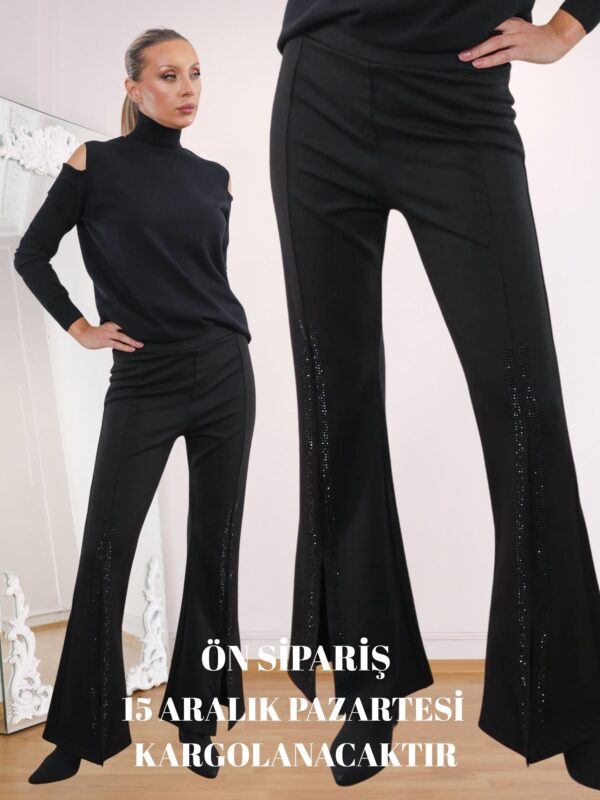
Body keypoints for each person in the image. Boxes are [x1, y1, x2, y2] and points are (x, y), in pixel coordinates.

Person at [269, 0, 600, 789]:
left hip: (461, 96)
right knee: (335, 410)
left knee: (524, 403)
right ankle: (368, 685)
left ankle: (575, 704)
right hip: (320, 89)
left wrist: (568, 27)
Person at [14, 27, 255, 783]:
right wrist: (81, 328)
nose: (187, 88)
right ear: (134, 88)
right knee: (107, 546)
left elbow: (204, 279)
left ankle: (198, 719)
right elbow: (31, 253)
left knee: (215, 549)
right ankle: (78, 734)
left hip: (225, 372)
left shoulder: (215, 179)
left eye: (195, 74)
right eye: (168, 75)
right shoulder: (95, 163)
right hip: (143, 379)